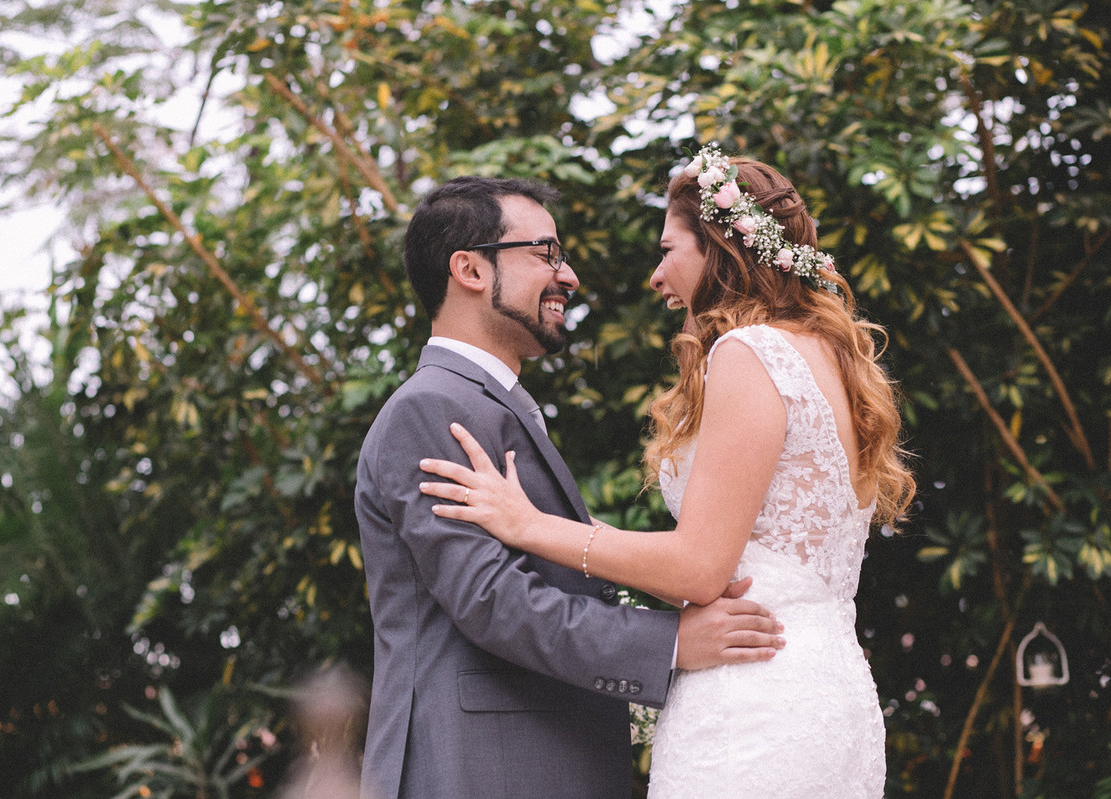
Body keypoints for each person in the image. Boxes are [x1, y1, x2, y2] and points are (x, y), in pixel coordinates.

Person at [418, 147, 917, 798]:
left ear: (717, 250)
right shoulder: (829, 355)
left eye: (668, 249)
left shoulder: (749, 351)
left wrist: (528, 524)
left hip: (751, 703)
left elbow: (700, 567)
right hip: (827, 686)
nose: (658, 275)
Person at [354, 175, 787, 799]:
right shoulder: (429, 407)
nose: (569, 276)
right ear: (469, 270)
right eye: (546, 254)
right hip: (476, 769)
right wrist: (671, 642)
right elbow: (493, 599)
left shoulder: (489, 404)